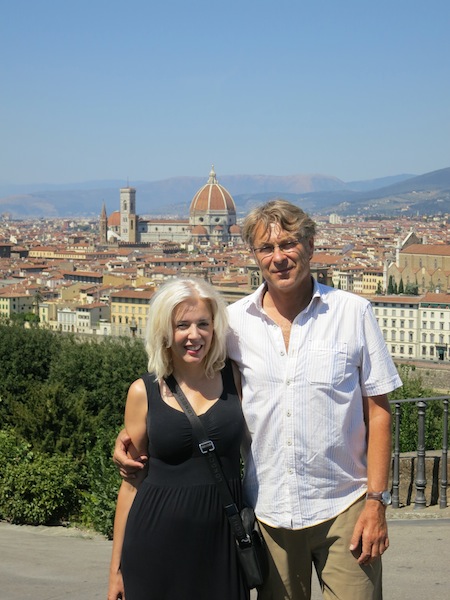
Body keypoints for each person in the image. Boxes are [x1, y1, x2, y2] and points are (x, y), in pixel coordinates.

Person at [114, 200, 402, 600]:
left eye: (288, 244)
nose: (279, 257)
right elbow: (191, 383)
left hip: (346, 505)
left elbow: (379, 411)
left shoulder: (353, 312)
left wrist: (376, 502)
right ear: (254, 255)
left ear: (310, 244)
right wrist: (135, 434)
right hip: (269, 515)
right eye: (267, 248)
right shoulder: (233, 325)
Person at [107, 278, 249, 600]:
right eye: (182, 325)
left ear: (215, 328)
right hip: (154, 543)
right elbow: (131, 483)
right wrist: (116, 570)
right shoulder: (143, 392)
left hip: (222, 543)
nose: (194, 335)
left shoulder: (235, 379)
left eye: (203, 324)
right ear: (165, 332)